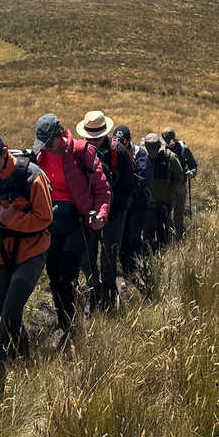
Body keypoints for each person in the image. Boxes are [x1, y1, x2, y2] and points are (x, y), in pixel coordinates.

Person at [0, 129, 52, 361]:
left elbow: (44, 218)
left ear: (4, 153)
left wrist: (9, 218)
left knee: (11, 310)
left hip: (32, 251)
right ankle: (24, 356)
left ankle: (4, 364)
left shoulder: (33, 176)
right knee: (5, 311)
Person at [33, 113, 110, 343]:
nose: (47, 148)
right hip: (51, 222)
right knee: (54, 276)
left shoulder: (82, 152)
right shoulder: (40, 155)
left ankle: (71, 325)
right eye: (43, 144)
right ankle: (64, 320)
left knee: (67, 275)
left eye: (50, 143)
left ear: (60, 135)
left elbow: (102, 190)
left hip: (77, 222)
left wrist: (101, 215)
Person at [76, 110, 135, 311]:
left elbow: (128, 187)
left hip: (116, 211)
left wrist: (113, 211)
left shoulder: (119, 152)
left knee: (109, 255)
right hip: (89, 211)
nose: (92, 140)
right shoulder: (80, 151)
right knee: (87, 254)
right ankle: (94, 291)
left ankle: (109, 298)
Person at [113, 124, 153, 281]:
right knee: (122, 237)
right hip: (121, 203)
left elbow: (143, 179)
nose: (120, 143)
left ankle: (133, 269)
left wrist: (125, 181)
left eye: (122, 140)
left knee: (134, 236)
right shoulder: (112, 151)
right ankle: (124, 267)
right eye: (117, 140)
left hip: (137, 203)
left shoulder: (140, 153)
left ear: (128, 140)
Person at [142, 133, 184, 251]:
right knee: (148, 231)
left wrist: (169, 192)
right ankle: (148, 256)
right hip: (148, 203)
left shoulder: (170, 157)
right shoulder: (142, 156)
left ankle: (163, 252)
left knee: (163, 230)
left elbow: (179, 177)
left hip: (164, 201)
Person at [162, 128, 198, 240]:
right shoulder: (161, 150)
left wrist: (192, 172)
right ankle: (169, 235)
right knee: (168, 212)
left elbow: (193, 165)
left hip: (181, 185)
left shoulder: (183, 148)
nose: (170, 144)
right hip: (168, 186)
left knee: (179, 212)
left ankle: (179, 235)